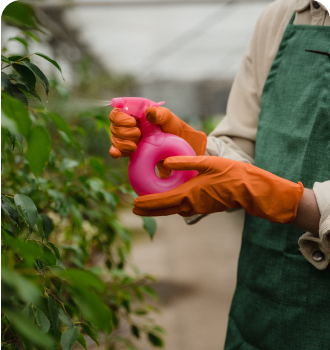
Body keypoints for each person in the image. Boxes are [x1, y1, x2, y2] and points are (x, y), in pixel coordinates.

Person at [109, 0, 330, 349]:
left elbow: (247, 180)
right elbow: (242, 144)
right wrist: (193, 150)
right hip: (262, 304)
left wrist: (292, 202)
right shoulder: (279, 18)